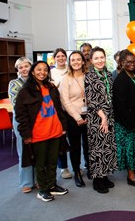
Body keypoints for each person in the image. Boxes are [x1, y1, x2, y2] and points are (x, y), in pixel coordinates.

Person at [15, 61, 69, 202]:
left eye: (45, 70)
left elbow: (59, 108)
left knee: (52, 161)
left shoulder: (51, 88)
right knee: (41, 164)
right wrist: (26, 134)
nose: (42, 72)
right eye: (39, 69)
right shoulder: (25, 92)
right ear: (33, 72)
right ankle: (43, 190)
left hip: (55, 131)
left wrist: (63, 127)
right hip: (38, 134)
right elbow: (21, 116)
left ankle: (52, 185)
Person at [85, 47, 118, 194]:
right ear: (91, 61)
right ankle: (97, 180)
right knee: (97, 148)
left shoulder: (108, 74)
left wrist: (109, 116)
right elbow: (91, 100)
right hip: (97, 118)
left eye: (102, 57)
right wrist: (103, 117)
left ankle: (104, 176)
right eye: (96, 58)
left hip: (110, 116)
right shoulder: (89, 76)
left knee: (108, 147)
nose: (100, 60)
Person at [112, 50, 135, 188]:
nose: (132, 64)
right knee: (129, 150)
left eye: (134, 62)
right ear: (122, 63)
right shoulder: (121, 80)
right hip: (125, 123)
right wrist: (130, 123)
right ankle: (131, 176)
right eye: (128, 62)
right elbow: (120, 106)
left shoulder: (134, 75)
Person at [59, 51, 90, 187]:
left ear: (83, 61)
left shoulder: (88, 76)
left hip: (89, 116)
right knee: (75, 146)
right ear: (69, 63)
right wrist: (77, 117)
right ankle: (77, 172)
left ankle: (90, 167)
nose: (76, 62)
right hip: (73, 117)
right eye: (73, 60)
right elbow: (65, 101)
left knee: (89, 145)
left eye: (79, 59)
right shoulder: (66, 79)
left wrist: (90, 114)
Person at [8, 57, 35, 193]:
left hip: (37, 121)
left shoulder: (36, 82)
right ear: (18, 70)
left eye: (26, 66)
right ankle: (26, 182)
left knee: (37, 150)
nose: (24, 69)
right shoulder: (14, 84)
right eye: (20, 67)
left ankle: (37, 179)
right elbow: (17, 105)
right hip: (22, 121)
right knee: (24, 151)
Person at [50, 48, 72, 180]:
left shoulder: (71, 70)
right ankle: (63, 168)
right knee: (61, 140)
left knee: (74, 140)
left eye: (63, 56)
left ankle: (77, 165)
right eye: (58, 56)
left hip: (72, 109)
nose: (61, 58)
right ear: (54, 58)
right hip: (58, 110)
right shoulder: (50, 73)